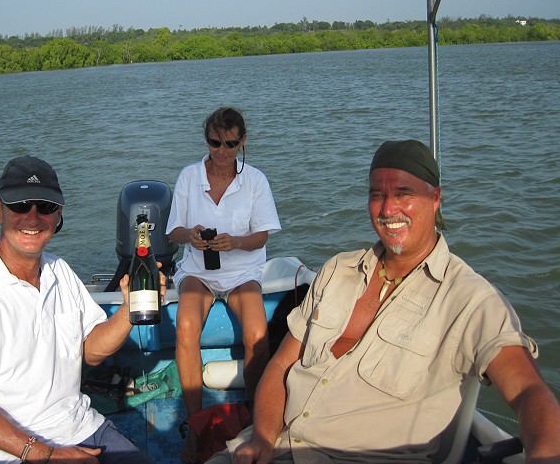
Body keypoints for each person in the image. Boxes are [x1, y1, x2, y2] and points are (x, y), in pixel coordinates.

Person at [208, 140, 560, 464]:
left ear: (435, 198)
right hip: (274, 445)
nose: (388, 207)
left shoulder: (469, 300)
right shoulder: (337, 271)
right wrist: (265, 439)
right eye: (377, 194)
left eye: (404, 193)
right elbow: (281, 365)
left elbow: (530, 392)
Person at [0, 156, 161, 464]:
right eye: (20, 206)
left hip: (80, 427)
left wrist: (130, 309)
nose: (33, 218)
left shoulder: (59, 271)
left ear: (59, 214)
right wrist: (46, 454)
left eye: (46, 207)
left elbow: (90, 351)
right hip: (8, 453)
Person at [166, 107, 282, 463]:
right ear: (207, 140)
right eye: (214, 142)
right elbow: (174, 232)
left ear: (242, 141)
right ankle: (195, 424)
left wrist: (235, 243)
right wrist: (193, 236)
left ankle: (253, 416)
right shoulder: (189, 176)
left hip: (243, 271)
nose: (221, 151)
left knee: (257, 334)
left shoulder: (256, 181)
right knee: (185, 326)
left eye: (230, 144)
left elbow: (261, 236)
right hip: (198, 271)